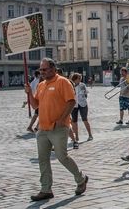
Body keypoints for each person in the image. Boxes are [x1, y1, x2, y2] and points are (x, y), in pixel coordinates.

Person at [24, 58, 88, 201]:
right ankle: (46, 189)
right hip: (42, 128)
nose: (42, 72)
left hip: (58, 128)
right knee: (43, 160)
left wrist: (61, 120)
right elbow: (35, 106)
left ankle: (81, 179)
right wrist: (29, 93)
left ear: (53, 68)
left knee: (62, 157)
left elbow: (71, 101)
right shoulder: (41, 85)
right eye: (41, 70)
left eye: (44, 69)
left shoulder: (62, 82)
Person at [70, 73, 93, 149]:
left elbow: (86, 94)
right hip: (74, 104)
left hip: (83, 104)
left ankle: (90, 135)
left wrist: (83, 98)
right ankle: (76, 137)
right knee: (74, 121)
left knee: (85, 119)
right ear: (75, 79)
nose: (80, 80)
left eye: (80, 78)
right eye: (79, 78)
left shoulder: (82, 85)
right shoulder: (70, 85)